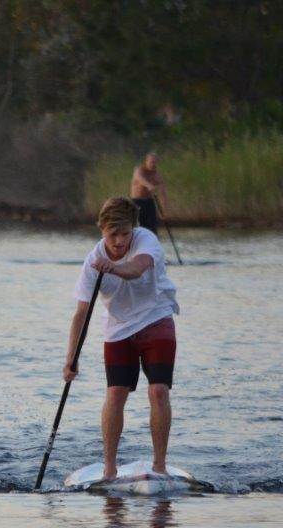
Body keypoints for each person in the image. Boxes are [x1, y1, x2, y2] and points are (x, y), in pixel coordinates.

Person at [64, 197, 179, 478]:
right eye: (112, 234)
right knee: (116, 394)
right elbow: (81, 313)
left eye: (124, 233)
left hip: (156, 319)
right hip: (118, 329)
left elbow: (137, 268)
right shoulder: (92, 261)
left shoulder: (146, 240)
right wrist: (70, 360)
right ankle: (109, 469)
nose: (118, 241)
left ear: (133, 229)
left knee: (158, 390)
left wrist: (113, 268)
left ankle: (159, 466)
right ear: (102, 230)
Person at [130, 153, 167, 234]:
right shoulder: (139, 170)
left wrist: (163, 210)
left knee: (152, 228)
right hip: (137, 202)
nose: (153, 164)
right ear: (146, 162)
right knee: (137, 226)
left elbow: (163, 192)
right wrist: (149, 185)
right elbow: (140, 178)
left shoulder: (157, 175)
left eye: (155, 162)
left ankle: (152, 242)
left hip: (149, 202)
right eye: (151, 162)